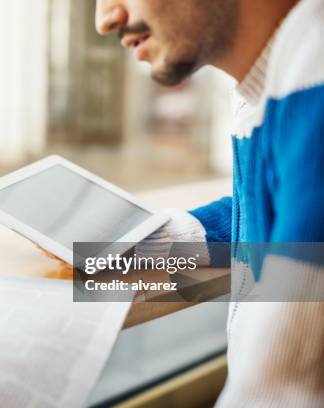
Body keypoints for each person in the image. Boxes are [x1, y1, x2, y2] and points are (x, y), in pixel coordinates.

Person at [94, 0, 324, 406]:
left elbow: (277, 394)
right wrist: (159, 239)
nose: (105, 18)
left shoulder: (314, 91)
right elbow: (268, 208)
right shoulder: (275, 82)